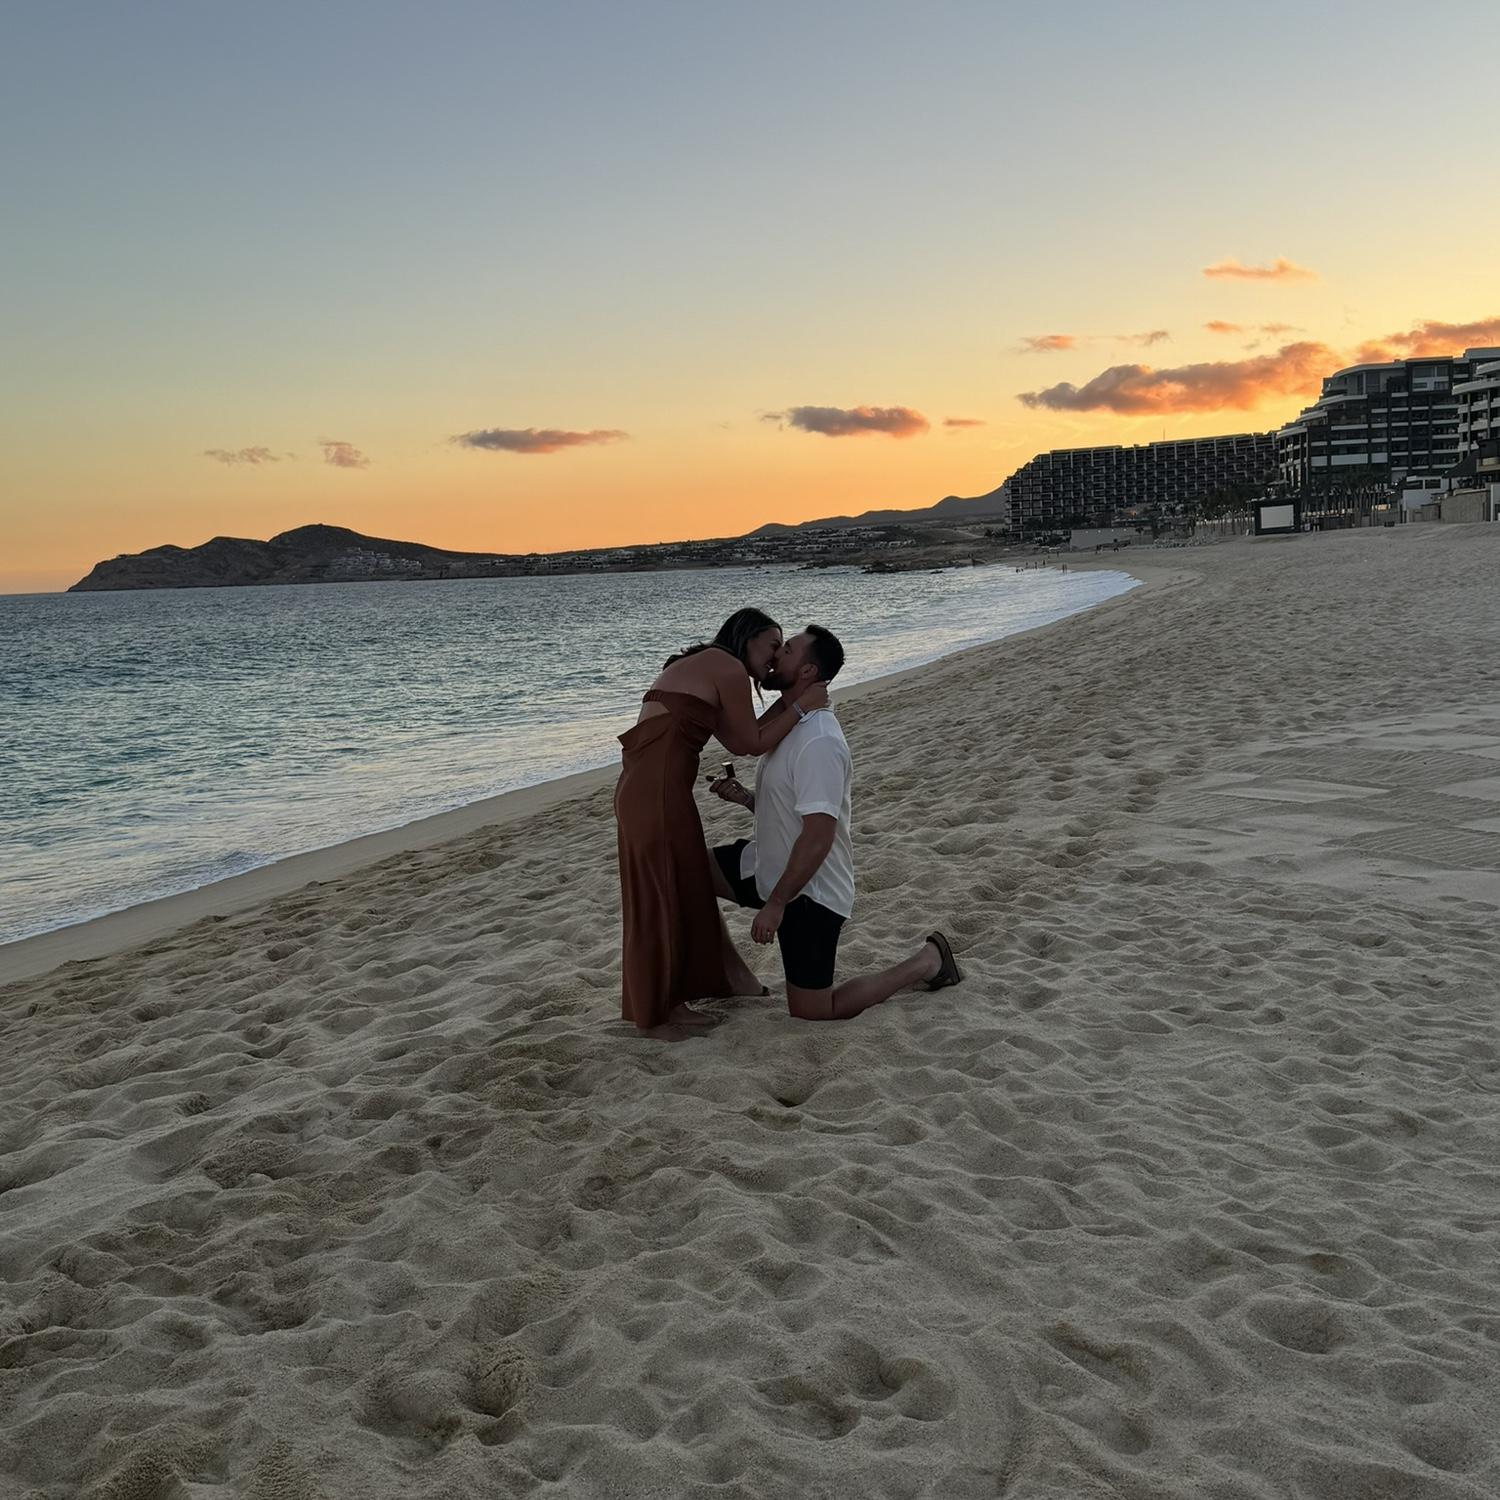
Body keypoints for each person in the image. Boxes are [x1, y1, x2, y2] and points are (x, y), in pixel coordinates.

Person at [708, 624, 962, 1021]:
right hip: (768, 866)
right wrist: (747, 800)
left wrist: (776, 905)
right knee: (689, 870)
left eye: (787, 650)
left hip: (810, 894)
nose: (775, 655)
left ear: (808, 671)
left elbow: (818, 837)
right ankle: (726, 975)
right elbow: (789, 811)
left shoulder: (819, 741)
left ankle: (927, 961)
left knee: (814, 1011)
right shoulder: (790, 724)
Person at [615, 608, 828, 1034]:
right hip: (658, 790)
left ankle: (729, 981)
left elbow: (738, 735)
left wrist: (791, 703)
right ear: (746, 637)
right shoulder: (728, 666)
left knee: (683, 880)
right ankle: (664, 1010)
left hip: (643, 788)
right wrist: (802, 707)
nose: (774, 658)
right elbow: (750, 744)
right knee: (667, 889)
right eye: (772, 645)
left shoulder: (704, 662)